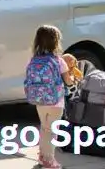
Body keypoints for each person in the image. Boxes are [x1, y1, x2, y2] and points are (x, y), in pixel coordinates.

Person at [24, 25, 75, 169]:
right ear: (56, 42)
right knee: (51, 131)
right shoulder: (58, 61)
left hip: (39, 100)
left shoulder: (33, 61)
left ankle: (42, 157)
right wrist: (71, 74)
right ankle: (50, 161)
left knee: (44, 128)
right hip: (55, 102)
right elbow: (68, 81)